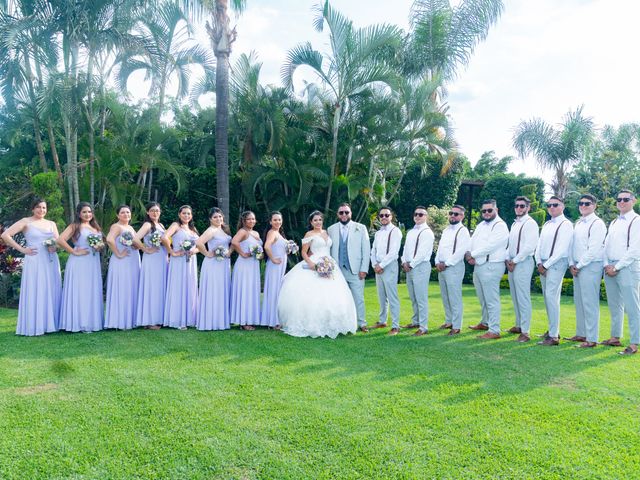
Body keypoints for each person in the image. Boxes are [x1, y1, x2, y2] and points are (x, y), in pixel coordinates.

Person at [277, 210, 357, 338]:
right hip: (315, 264)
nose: (318, 222)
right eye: (315, 220)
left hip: (330, 264)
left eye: (320, 220)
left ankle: (332, 324)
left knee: (333, 295)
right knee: (314, 296)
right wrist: (311, 264)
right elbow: (304, 252)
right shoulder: (309, 233)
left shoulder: (326, 232)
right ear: (311, 222)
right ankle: (312, 324)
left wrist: (328, 264)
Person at [1, 198, 61, 336]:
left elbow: (57, 242)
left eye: (44, 208)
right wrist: (22, 250)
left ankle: (51, 324)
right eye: (39, 207)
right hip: (34, 260)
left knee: (51, 289)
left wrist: (54, 247)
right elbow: (5, 235)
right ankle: (35, 324)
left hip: (50, 260)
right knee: (37, 288)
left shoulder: (51, 224)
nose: (42, 210)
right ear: (33, 209)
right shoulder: (25, 221)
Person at [601, 190, 640, 355]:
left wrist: (616, 267)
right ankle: (615, 337)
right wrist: (606, 264)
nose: (622, 202)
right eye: (619, 199)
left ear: (634, 201)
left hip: (627, 267)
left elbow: (635, 250)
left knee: (632, 306)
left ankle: (634, 343)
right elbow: (606, 245)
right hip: (610, 266)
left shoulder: (636, 220)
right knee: (615, 305)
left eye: (626, 199)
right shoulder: (615, 222)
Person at [57, 202, 104, 332]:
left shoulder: (95, 227)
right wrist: (74, 251)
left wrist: (99, 247)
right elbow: (60, 240)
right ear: (79, 213)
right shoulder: (75, 226)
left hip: (93, 263)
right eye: (84, 212)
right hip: (79, 262)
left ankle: (91, 322)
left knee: (91, 290)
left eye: (89, 212)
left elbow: (100, 244)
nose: (87, 214)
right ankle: (78, 323)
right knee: (81, 290)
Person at [466, 199, 509, 339]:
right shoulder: (481, 225)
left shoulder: (500, 226)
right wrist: (469, 255)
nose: (486, 213)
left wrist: (472, 254)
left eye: (490, 210)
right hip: (479, 264)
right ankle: (485, 322)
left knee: (491, 299)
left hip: (492, 265)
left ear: (496, 210)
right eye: (484, 210)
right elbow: (472, 241)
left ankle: (494, 330)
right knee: (482, 297)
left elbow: (491, 246)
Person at [568, 194, 606, 348]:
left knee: (590, 302)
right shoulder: (578, 223)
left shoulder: (597, 223)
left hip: (590, 266)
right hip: (577, 266)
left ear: (594, 205)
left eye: (587, 203)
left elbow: (594, 249)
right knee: (579, 301)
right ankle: (581, 333)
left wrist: (579, 265)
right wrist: (572, 264)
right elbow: (572, 246)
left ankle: (592, 339)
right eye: (581, 203)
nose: (583, 205)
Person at [535, 196, 573, 346]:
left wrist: (546, 265)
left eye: (555, 205)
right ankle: (552, 330)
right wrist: (538, 262)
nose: (551, 207)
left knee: (552, 297)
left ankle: (554, 336)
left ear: (562, 206)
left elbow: (562, 249)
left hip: (556, 264)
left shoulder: (566, 224)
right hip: (543, 263)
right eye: (549, 205)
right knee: (547, 297)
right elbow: (539, 245)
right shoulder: (547, 224)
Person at [327, 203, 371, 332]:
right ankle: (342, 324)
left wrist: (364, 268)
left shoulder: (361, 228)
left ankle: (362, 323)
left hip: (356, 270)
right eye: (341, 213)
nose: (344, 215)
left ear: (351, 213)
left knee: (358, 298)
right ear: (337, 214)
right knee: (339, 299)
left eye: (346, 212)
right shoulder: (331, 229)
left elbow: (366, 249)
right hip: (337, 271)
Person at [505, 196, 539, 343]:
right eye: (517, 206)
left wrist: (515, 260)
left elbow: (529, 247)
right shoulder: (515, 224)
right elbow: (510, 244)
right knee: (515, 295)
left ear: (528, 208)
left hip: (523, 262)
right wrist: (508, 259)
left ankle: (525, 331)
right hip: (512, 263)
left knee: (523, 297)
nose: (519, 208)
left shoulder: (530, 223)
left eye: (522, 206)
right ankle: (519, 325)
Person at [162, 205, 199, 329]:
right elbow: (164, 237)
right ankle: (178, 319)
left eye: (189, 214)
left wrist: (195, 251)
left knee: (190, 287)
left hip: (191, 261)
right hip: (178, 261)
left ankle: (190, 319)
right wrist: (172, 252)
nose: (186, 216)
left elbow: (200, 245)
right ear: (179, 214)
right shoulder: (176, 226)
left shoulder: (193, 229)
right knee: (179, 287)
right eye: (184, 213)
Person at [104, 205, 140, 330]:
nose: (126, 214)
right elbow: (109, 239)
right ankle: (119, 321)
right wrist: (118, 253)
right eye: (123, 212)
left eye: (128, 212)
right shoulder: (116, 226)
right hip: (122, 261)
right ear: (118, 215)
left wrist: (136, 246)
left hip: (133, 260)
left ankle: (131, 319)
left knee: (131, 287)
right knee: (122, 287)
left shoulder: (130, 227)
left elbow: (134, 242)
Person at [434, 205, 469, 335]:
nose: (453, 216)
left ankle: (457, 326)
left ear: (462, 216)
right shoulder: (446, 230)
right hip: (442, 267)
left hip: (454, 267)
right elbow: (440, 248)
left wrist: (447, 263)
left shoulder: (463, 231)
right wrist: (437, 262)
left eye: (456, 214)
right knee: (445, 295)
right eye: (451, 213)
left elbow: (460, 252)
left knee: (454, 297)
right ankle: (449, 321)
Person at [196, 207, 232, 331]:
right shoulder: (211, 230)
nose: (218, 219)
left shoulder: (223, 230)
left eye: (220, 216)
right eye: (215, 217)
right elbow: (199, 242)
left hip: (223, 264)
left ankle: (221, 320)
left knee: (221, 290)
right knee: (214, 290)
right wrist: (207, 253)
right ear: (210, 219)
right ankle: (211, 321)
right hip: (213, 265)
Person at [133, 202, 167, 329]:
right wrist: (145, 249)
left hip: (162, 258)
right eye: (152, 210)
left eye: (157, 210)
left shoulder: (161, 225)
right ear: (147, 212)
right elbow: (136, 239)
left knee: (159, 287)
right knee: (152, 287)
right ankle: (150, 320)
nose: (155, 213)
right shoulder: (147, 224)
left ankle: (158, 318)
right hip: (152, 259)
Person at [370, 207, 403, 335]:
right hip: (378, 266)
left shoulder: (396, 231)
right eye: (381, 215)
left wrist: (381, 265)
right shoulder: (378, 233)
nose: (384, 217)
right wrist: (374, 264)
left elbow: (394, 252)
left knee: (392, 296)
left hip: (389, 266)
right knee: (381, 295)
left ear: (391, 216)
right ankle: (382, 320)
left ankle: (395, 326)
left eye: (386, 215)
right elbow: (373, 250)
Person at [230, 210, 262, 330]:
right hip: (244, 265)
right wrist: (243, 253)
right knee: (245, 290)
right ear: (244, 221)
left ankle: (251, 318)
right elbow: (234, 242)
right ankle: (243, 321)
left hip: (254, 265)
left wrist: (259, 255)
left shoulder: (256, 233)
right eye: (249, 219)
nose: (252, 221)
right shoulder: (242, 231)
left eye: (253, 219)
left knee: (251, 291)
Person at [259, 211, 289, 329]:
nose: (278, 222)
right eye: (275, 220)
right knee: (274, 291)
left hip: (280, 266)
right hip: (275, 266)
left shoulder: (278, 233)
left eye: (279, 220)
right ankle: (272, 321)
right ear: (270, 221)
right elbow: (266, 246)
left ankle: (273, 318)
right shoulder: (272, 232)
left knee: (277, 291)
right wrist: (273, 259)